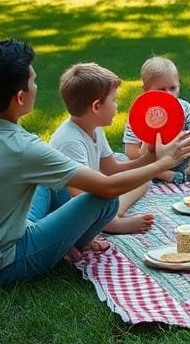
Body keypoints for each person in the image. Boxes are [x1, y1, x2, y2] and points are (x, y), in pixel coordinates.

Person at [0, 39, 190, 285]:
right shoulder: (24, 148)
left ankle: (60, 240)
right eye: (33, 81)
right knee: (104, 200)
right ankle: (65, 243)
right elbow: (106, 187)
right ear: (21, 97)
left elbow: (109, 169)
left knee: (55, 178)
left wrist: (151, 157)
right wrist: (164, 163)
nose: (36, 86)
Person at [40, 62, 155, 235]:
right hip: (68, 208)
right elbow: (77, 198)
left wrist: (148, 159)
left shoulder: (94, 127)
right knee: (110, 193)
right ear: (95, 107)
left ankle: (115, 213)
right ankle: (111, 223)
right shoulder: (70, 141)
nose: (117, 105)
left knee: (143, 179)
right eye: (114, 100)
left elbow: (112, 169)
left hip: (94, 191)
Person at [123, 56, 190, 183]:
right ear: (146, 90)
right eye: (161, 90)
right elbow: (130, 152)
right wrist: (148, 149)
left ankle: (185, 174)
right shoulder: (139, 113)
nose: (169, 94)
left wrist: (187, 141)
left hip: (180, 158)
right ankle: (164, 175)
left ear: (179, 85)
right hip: (152, 162)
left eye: (173, 88)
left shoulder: (184, 108)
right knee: (131, 164)